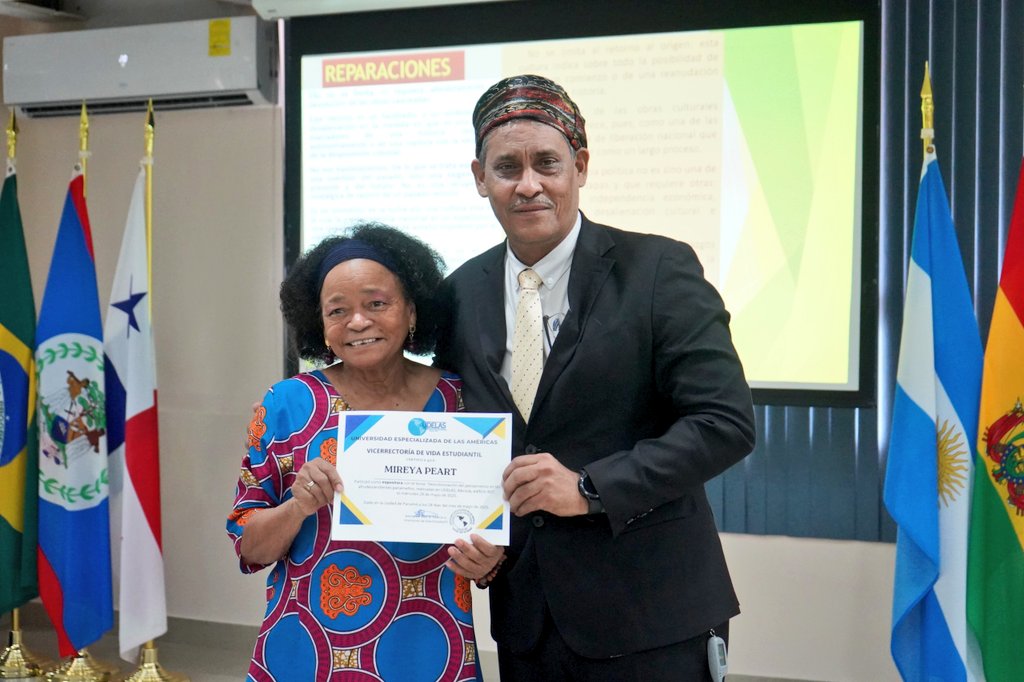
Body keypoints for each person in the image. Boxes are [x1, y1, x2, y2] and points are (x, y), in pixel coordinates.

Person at [433, 75, 756, 680]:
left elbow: (726, 424)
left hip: (653, 614)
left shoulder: (659, 270)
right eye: (507, 167)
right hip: (526, 614)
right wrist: (475, 539)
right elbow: (462, 435)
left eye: (546, 163)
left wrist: (589, 488)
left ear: (579, 166)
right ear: (481, 178)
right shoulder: (459, 293)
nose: (528, 184)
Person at [227, 222, 504, 682]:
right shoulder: (287, 404)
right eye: (338, 310)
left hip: (432, 644)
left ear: (411, 311)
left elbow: (494, 528)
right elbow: (249, 546)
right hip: (308, 652)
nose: (357, 322)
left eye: (377, 303)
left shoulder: (462, 400)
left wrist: (490, 563)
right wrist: (297, 507)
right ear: (320, 322)